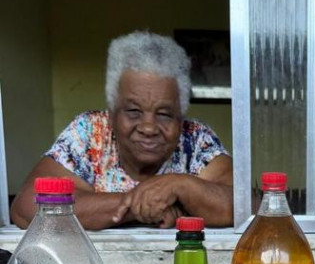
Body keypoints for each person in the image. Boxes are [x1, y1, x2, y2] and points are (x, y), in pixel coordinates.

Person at [10, 31, 233, 230]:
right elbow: (27, 207)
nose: (148, 128)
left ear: (180, 116)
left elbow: (241, 204)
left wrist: (180, 184)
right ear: (112, 113)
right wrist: (136, 206)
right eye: (134, 111)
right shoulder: (91, 132)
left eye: (164, 114)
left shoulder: (195, 138)